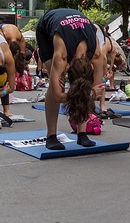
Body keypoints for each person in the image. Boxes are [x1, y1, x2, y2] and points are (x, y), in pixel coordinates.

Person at [36, 9, 104, 150]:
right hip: (48, 30)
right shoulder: (61, 57)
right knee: (56, 86)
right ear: (68, 66)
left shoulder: (96, 54)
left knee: (85, 90)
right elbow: (57, 96)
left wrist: (89, 92)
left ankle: (82, 134)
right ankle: (51, 136)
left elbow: (97, 91)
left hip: (75, 26)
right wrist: (85, 94)